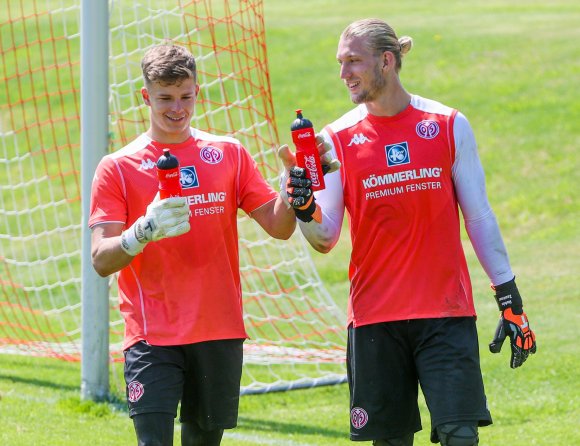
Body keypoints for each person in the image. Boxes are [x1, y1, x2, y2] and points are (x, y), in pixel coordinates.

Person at [278, 18, 537, 446]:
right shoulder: (335, 139)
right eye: (340, 63)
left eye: (353, 62)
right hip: (375, 319)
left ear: (387, 61)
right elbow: (324, 237)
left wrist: (509, 297)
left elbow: (479, 218)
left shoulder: (448, 124)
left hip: (446, 314)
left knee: (460, 434)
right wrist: (303, 206)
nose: (344, 74)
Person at [89, 44, 297, 446]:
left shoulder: (228, 153)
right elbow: (101, 259)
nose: (177, 108)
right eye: (165, 98)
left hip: (218, 330)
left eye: (186, 96)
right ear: (146, 96)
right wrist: (142, 231)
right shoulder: (118, 166)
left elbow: (279, 226)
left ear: (198, 91)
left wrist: (293, 190)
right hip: (153, 336)